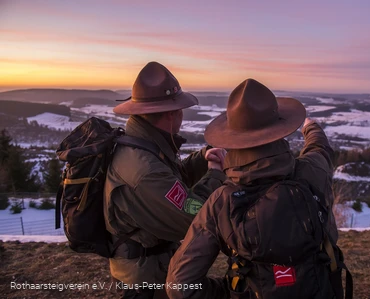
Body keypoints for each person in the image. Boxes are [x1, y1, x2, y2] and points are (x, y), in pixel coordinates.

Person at [166, 78, 341, 299]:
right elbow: (320, 149)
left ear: (234, 137)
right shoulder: (311, 172)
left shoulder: (221, 202)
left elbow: (179, 285)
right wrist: (311, 127)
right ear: (279, 128)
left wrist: (227, 291)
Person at [104, 61, 227, 299]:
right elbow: (193, 216)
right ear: (172, 114)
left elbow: (172, 182)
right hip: (149, 281)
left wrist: (202, 159)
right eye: (180, 110)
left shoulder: (142, 145)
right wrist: (215, 174)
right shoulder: (145, 170)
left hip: (150, 268)